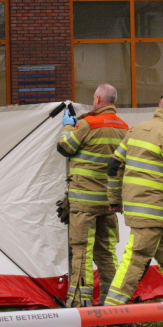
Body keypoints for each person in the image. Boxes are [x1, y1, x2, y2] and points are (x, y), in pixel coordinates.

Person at [103, 93, 163, 306]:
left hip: (135, 207)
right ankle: (112, 309)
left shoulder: (135, 130)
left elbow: (113, 166)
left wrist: (114, 200)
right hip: (154, 209)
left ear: (159, 106)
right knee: (135, 259)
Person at [56, 84, 128, 307]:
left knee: (82, 252)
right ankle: (112, 302)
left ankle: (81, 303)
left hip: (84, 204)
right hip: (109, 204)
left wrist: (68, 127)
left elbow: (64, 147)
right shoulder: (125, 128)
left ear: (97, 99)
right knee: (107, 253)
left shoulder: (89, 124)